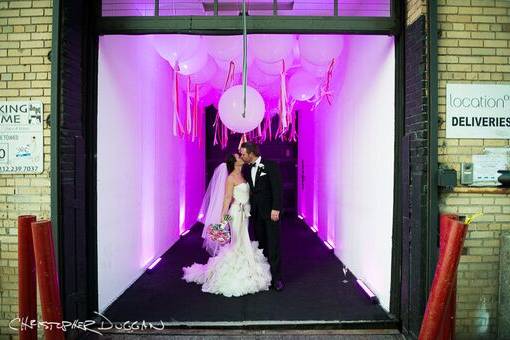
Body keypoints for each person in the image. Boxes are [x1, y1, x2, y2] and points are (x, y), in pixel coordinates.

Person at [182, 153, 272, 297]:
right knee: (238, 242)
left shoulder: (244, 174)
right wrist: (224, 220)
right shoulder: (230, 178)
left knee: (244, 240)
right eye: (239, 157)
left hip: (245, 213)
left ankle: (248, 269)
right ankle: (234, 272)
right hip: (235, 213)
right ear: (234, 162)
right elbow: (227, 199)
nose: (242, 157)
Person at [239, 142, 284, 291]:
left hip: (270, 213)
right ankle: (266, 277)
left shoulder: (270, 165)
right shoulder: (246, 169)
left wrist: (276, 208)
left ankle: (277, 279)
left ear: (251, 153)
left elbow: (277, 188)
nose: (242, 156)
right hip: (255, 213)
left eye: (244, 154)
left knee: (273, 245)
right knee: (261, 246)